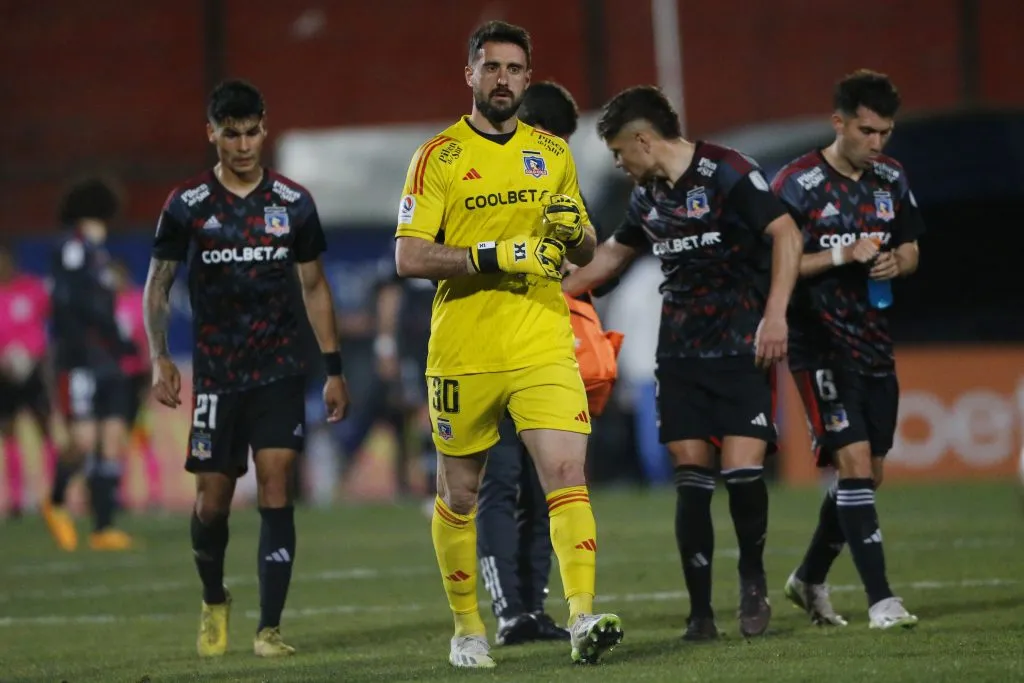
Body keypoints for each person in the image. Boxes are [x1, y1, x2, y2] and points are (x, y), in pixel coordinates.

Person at [393, 21, 623, 668]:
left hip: (542, 338)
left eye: (514, 69)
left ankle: (582, 617)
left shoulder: (551, 153)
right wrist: (491, 254)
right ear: (470, 73)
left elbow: (584, 246)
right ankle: (467, 629)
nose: (502, 79)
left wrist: (574, 230)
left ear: (527, 77)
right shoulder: (437, 156)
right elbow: (409, 256)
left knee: (566, 475)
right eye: (491, 67)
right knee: (460, 493)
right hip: (464, 348)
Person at [562, 85, 803, 640]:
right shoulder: (647, 196)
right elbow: (613, 255)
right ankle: (700, 614)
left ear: (644, 139)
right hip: (679, 353)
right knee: (691, 478)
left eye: (619, 151)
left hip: (741, 344)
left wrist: (776, 315)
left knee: (742, 474)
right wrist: (548, 293)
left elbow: (785, 232)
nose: (619, 163)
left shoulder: (728, 172)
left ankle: (752, 579)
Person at [143, 79, 350, 658]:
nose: (241, 145)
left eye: (251, 132)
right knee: (211, 503)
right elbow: (158, 285)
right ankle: (214, 596)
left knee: (277, 481)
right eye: (230, 134)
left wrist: (333, 368)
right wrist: (160, 355)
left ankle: (269, 628)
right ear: (211, 133)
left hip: (280, 368)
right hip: (217, 375)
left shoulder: (293, 202)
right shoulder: (187, 205)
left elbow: (315, 286)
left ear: (265, 130)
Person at [771, 69, 923, 630]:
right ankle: (882, 601)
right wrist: (840, 255)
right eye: (867, 131)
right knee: (853, 465)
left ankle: (808, 577)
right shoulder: (796, 183)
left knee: (869, 474)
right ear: (839, 123)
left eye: (885, 132)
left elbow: (911, 247)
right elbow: (774, 265)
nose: (877, 143)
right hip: (818, 344)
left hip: (874, 343)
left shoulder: (892, 178)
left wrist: (897, 262)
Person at [475, 80, 619, 648]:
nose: (555, 150)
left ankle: (533, 608)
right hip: (485, 350)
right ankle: (508, 610)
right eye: (551, 138)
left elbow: (590, 256)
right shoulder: (474, 175)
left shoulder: (560, 182)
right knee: (499, 481)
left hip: (546, 350)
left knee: (549, 484)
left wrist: (570, 264)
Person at [45, 178, 137, 551]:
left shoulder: (99, 255)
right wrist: (100, 331)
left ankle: (103, 527)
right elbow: (71, 302)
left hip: (107, 359)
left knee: (112, 439)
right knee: (83, 441)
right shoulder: (71, 248)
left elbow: (103, 305)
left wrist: (119, 341)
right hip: (80, 359)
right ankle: (55, 501)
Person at [0, 243, 56, 518]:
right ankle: (16, 499)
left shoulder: (32, 288)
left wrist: (38, 355)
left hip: (33, 370)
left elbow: (52, 319)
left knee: (44, 428)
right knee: (8, 431)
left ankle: (55, 494)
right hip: (4, 374)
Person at [111, 260, 162, 508]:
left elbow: (149, 339)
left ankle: (154, 493)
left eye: (117, 276)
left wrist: (150, 376)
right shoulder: (105, 303)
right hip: (114, 379)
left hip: (137, 378)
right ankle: (118, 494)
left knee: (143, 437)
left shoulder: (138, 301)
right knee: (117, 438)